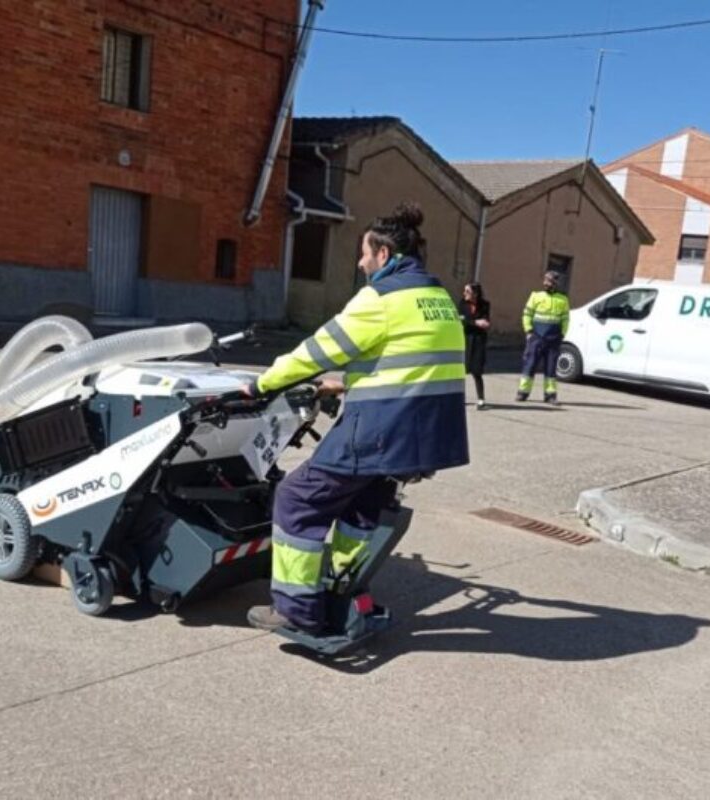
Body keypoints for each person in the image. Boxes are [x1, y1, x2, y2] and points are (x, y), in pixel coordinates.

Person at [243, 203, 470, 633]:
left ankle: (295, 610)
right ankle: (342, 588)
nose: (360, 262)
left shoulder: (381, 298)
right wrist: (344, 384)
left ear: (384, 255)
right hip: (421, 438)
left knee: (295, 499)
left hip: (381, 430)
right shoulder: (437, 298)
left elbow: (316, 351)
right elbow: (411, 364)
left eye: (364, 253)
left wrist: (262, 385)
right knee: (362, 508)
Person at [517, 270, 571, 405]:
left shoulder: (563, 300)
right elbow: (527, 314)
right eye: (545, 280)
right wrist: (528, 331)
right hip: (536, 336)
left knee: (551, 368)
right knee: (530, 364)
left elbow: (565, 319)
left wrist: (562, 334)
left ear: (556, 283)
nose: (546, 283)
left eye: (549, 281)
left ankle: (550, 395)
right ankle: (522, 392)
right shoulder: (536, 296)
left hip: (554, 339)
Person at [457, 282, 491, 409]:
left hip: (479, 340)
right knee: (462, 370)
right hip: (466, 338)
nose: (464, 293)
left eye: (467, 291)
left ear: (475, 294)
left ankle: (481, 399)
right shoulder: (462, 303)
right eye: (464, 291)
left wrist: (482, 323)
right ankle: (461, 397)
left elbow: (486, 321)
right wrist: (476, 322)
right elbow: (461, 319)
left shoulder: (485, 305)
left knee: (477, 371)